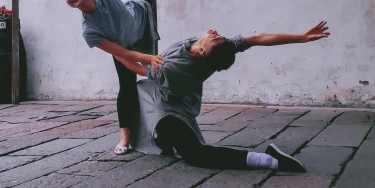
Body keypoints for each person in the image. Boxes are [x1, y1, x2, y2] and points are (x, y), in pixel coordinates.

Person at [116, 22, 330, 172]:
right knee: (168, 145)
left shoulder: (173, 69)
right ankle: (164, 141)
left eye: (215, 38)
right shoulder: (217, 49)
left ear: (202, 53)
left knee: (195, 155)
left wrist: (109, 47)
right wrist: (303, 37)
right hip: (171, 98)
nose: (216, 33)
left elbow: (134, 66)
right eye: (218, 36)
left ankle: (267, 159)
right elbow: (259, 38)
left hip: (164, 107)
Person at [59, 0, 162, 154]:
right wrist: (149, 60)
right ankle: (125, 137)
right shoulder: (89, 32)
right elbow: (124, 54)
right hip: (124, 47)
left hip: (138, 11)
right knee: (126, 86)